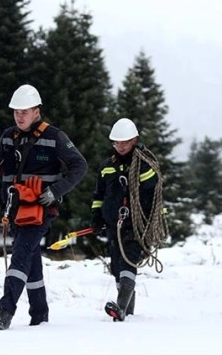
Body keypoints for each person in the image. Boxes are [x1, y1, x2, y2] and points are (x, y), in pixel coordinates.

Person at [0, 84, 87, 330]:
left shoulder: (54, 136)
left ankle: (5, 311)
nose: (19, 116)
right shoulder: (8, 136)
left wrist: (55, 191)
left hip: (40, 211)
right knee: (30, 259)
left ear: (37, 111)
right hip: (13, 210)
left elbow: (80, 166)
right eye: (16, 111)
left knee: (20, 256)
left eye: (25, 111)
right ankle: (40, 315)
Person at [89, 118, 161, 322]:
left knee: (129, 262)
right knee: (117, 266)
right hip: (113, 224)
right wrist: (96, 218)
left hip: (135, 226)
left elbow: (153, 195)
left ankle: (120, 308)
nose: (120, 146)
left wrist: (147, 223)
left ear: (135, 140)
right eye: (116, 143)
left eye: (124, 142)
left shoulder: (144, 166)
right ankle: (127, 311)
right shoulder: (107, 166)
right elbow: (98, 195)